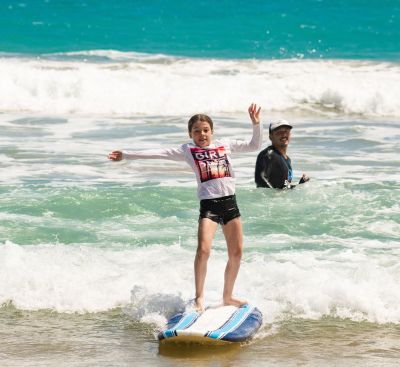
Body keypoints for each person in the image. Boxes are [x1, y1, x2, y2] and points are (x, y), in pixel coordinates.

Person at [108, 104, 262, 311]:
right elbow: (158, 153)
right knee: (203, 250)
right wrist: (126, 155)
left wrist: (256, 124)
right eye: (197, 131)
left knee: (236, 252)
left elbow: (254, 145)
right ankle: (199, 297)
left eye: (205, 130)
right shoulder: (188, 150)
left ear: (212, 132)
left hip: (230, 204)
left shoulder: (224, 145)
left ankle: (228, 296)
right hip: (209, 206)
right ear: (190, 134)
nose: (202, 134)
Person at [254, 119, 309, 189]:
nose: (284, 134)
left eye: (286, 131)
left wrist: (300, 184)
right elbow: (260, 180)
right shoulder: (268, 154)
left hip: (281, 199)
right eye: (279, 132)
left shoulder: (287, 160)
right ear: (271, 136)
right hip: (270, 199)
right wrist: (274, 195)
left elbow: (284, 187)